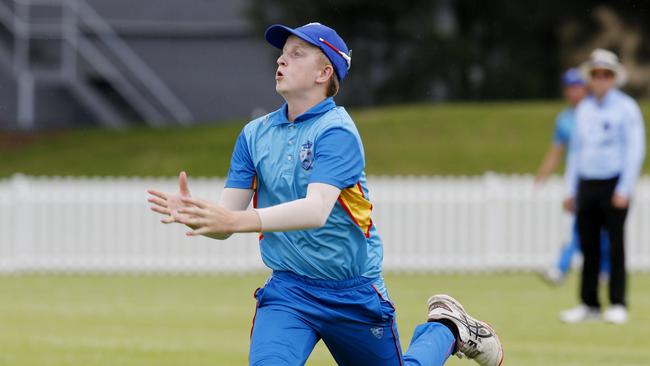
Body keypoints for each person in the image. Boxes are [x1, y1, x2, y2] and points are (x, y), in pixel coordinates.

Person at [147, 22, 503, 365]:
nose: (281, 60)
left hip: (353, 293)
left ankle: (448, 329)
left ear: (324, 74)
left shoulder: (337, 132)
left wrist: (235, 219)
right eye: (282, 53)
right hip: (289, 290)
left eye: (297, 53)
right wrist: (199, 213)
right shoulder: (254, 135)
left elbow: (316, 210)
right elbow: (227, 222)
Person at [560, 49, 646, 324]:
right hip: (587, 182)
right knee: (588, 245)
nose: (600, 79)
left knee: (616, 244)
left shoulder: (626, 108)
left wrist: (625, 187)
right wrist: (571, 189)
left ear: (613, 78)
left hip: (613, 183)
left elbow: (635, 149)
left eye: (605, 74)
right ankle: (589, 304)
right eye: (595, 74)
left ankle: (618, 303)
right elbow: (575, 152)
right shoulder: (583, 109)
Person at [535, 68, 610, 285]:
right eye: (570, 88)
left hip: (602, 177)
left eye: (577, 87)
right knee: (582, 225)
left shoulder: (598, 111)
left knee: (600, 226)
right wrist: (542, 175)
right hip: (580, 180)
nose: (574, 92)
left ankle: (600, 268)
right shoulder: (565, 119)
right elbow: (557, 152)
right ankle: (565, 267)